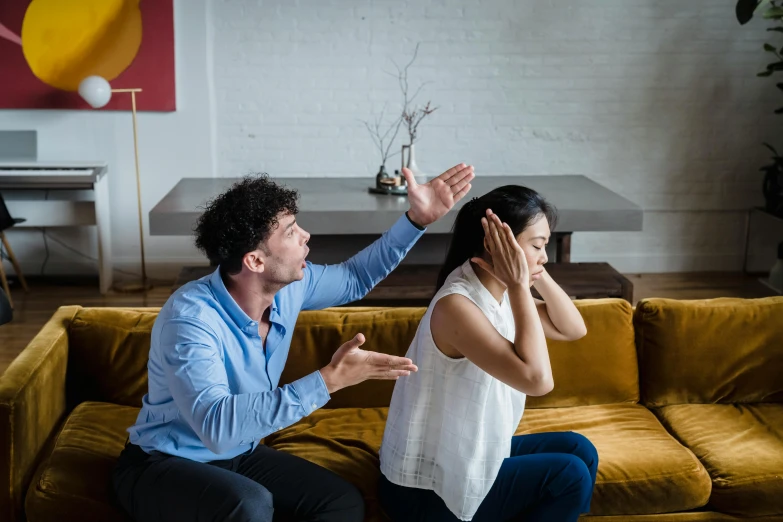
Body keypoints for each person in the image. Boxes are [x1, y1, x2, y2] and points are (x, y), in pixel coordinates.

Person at [111, 163, 475, 522]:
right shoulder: (190, 319)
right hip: (162, 464)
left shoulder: (289, 289)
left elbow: (353, 277)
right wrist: (328, 380)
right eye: (290, 232)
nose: (306, 236)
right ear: (254, 260)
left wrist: (415, 220)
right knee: (249, 504)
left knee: (341, 502)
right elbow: (217, 428)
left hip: (240, 452)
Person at [378, 185, 597, 522]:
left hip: (460, 458)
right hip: (422, 490)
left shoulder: (499, 291)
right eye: (538, 245)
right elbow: (537, 381)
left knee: (579, 449)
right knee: (569, 474)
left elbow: (572, 328)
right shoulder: (458, 305)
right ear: (495, 245)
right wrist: (521, 284)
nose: (545, 255)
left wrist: (532, 273)